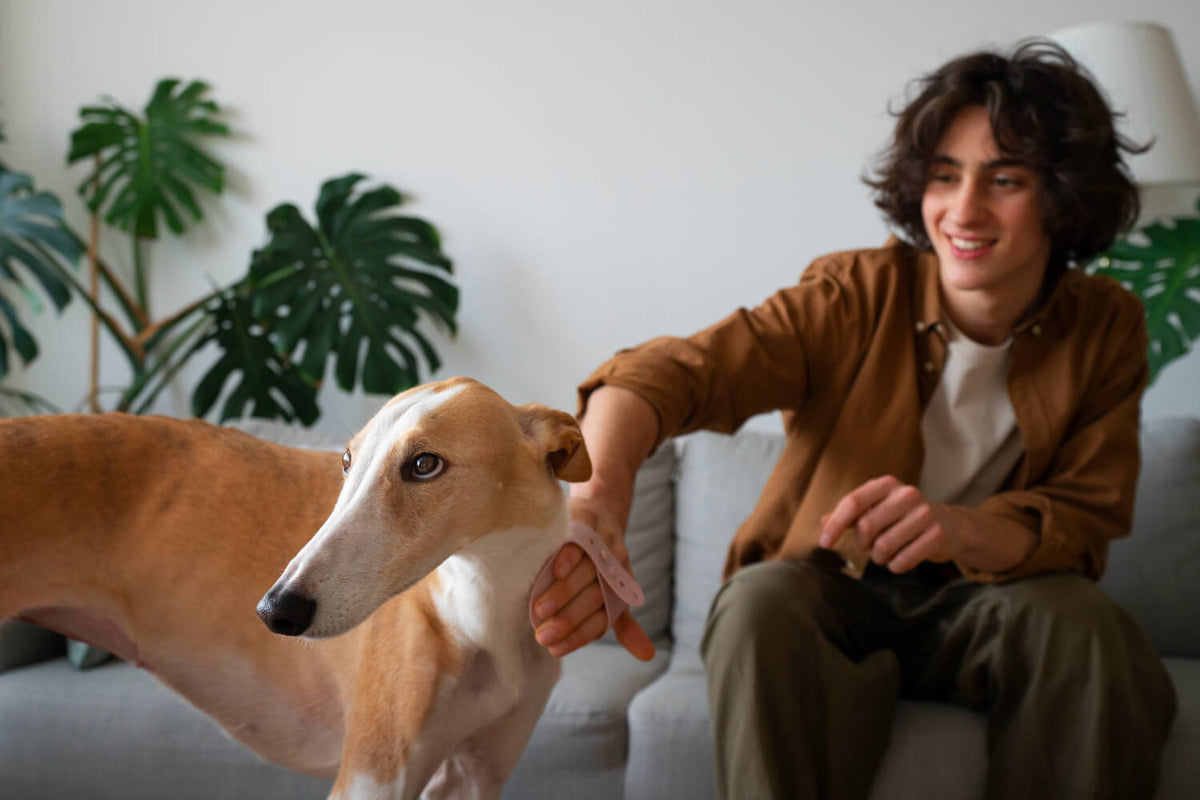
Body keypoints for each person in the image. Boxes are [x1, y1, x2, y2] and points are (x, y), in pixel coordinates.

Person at [531, 39, 1177, 799]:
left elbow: (1083, 517)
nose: (963, 211)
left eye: (1004, 179)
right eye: (944, 176)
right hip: (830, 592)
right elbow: (667, 375)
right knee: (759, 604)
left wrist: (957, 527)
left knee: (1087, 626)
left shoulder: (1106, 324)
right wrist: (600, 497)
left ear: (1062, 196)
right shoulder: (854, 293)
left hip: (997, 598)